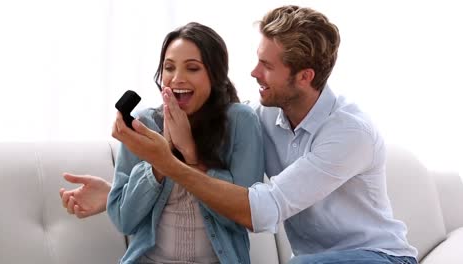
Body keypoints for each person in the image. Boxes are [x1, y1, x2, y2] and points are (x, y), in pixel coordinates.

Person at [61, 6, 418, 264]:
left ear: (304, 76)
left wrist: (171, 158)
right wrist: (115, 194)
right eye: (169, 67)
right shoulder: (263, 117)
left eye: (267, 65)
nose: (253, 72)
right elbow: (130, 211)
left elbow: (260, 211)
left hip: (378, 256)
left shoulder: (348, 134)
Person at [62, 22, 264, 264]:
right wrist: (161, 156)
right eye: (169, 68)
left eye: (192, 68)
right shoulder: (143, 123)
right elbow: (124, 220)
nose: (177, 78)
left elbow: (244, 215)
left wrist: (190, 154)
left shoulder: (241, 122)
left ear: (215, 74)